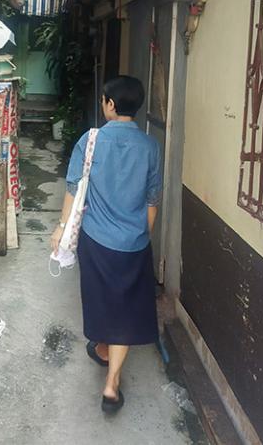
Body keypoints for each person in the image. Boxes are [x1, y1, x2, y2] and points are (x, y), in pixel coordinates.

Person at [51, 76, 162, 414]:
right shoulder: (150, 146)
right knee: (126, 305)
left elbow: (73, 187)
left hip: (96, 240)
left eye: (104, 101)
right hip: (133, 242)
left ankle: (102, 346)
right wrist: (141, 236)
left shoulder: (91, 140)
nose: (103, 105)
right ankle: (112, 383)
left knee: (102, 297)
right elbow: (152, 200)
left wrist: (60, 228)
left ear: (111, 105)